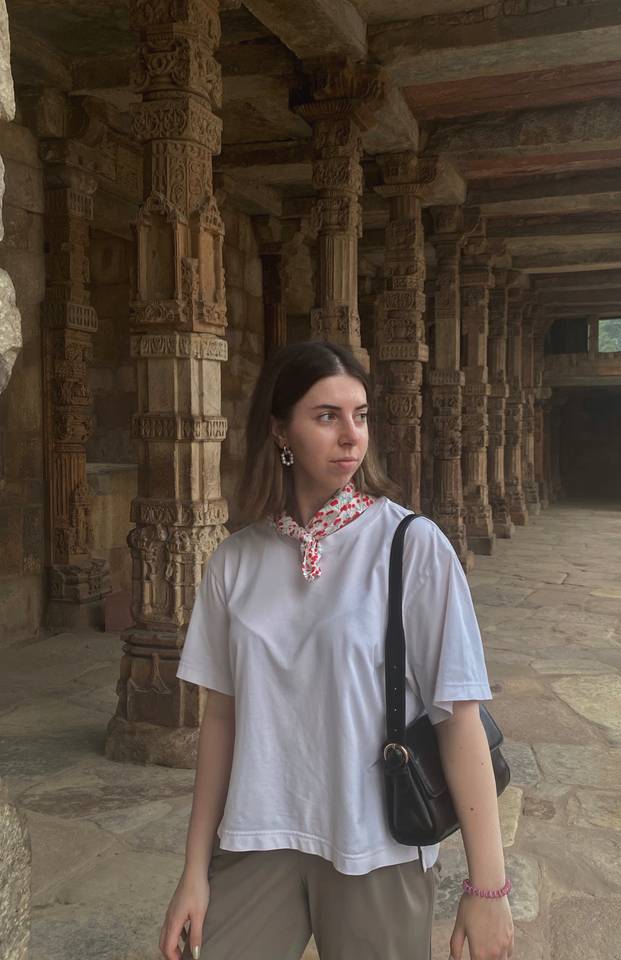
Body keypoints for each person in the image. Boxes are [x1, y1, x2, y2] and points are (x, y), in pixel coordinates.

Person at [159, 340, 514, 960]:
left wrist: (489, 889)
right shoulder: (234, 562)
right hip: (257, 839)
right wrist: (193, 870)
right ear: (281, 431)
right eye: (327, 416)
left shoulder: (412, 546)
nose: (352, 435)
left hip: (375, 845)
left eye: (361, 415)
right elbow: (221, 720)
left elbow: (458, 719)